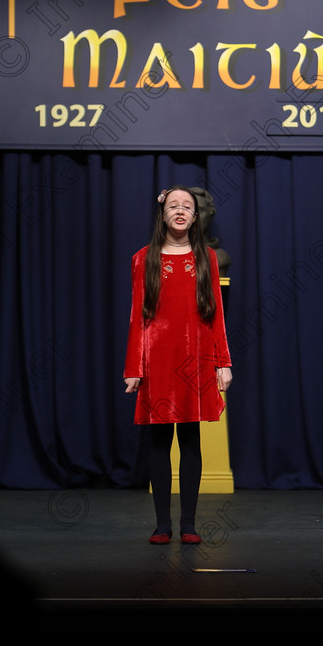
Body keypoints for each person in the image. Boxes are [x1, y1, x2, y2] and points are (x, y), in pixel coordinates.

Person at [124, 185, 232, 545]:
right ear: (163, 213)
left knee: (190, 439)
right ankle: (161, 525)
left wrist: (223, 362)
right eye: (174, 205)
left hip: (197, 359)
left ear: (196, 216)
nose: (181, 211)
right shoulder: (144, 258)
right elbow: (137, 317)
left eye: (188, 206)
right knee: (158, 441)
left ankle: (188, 523)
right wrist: (133, 368)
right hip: (157, 361)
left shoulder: (208, 259)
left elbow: (215, 314)